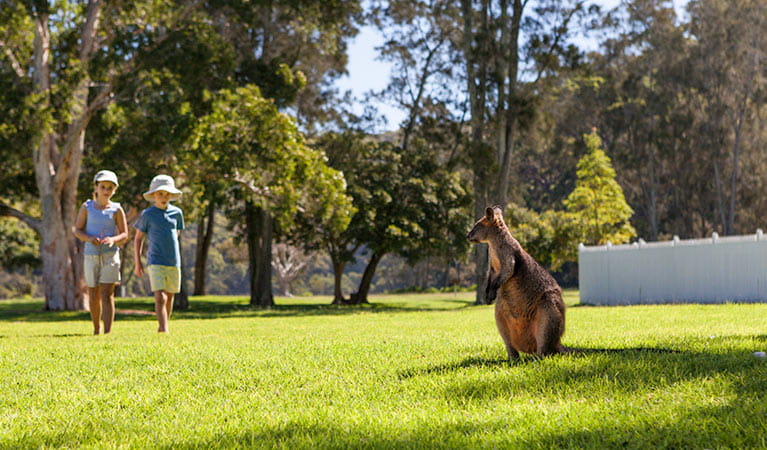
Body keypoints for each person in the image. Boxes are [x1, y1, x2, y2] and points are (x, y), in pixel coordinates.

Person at [73, 170, 128, 335]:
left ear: (114, 190)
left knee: (107, 294)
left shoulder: (117, 209)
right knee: (93, 293)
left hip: (110, 256)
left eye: (110, 188)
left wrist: (113, 240)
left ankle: (108, 331)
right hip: (91, 255)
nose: (106, 190)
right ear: (96, 187)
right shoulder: (87, 207)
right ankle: (96, 329)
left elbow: (125, 234)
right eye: (103, 186)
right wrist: (89, 238)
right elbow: (77, 230)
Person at [133, 175, 184, 333]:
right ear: (153, 195)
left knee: (169, 296)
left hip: (174, 261)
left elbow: (177, 232)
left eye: (167, 194)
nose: (164, 197)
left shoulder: (177, 213)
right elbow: (138, 239)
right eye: (160, 194)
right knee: (160, 296)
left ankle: (165, 325)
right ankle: (163, 329)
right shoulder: (147, 214)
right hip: (155, 260)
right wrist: (138, 262)